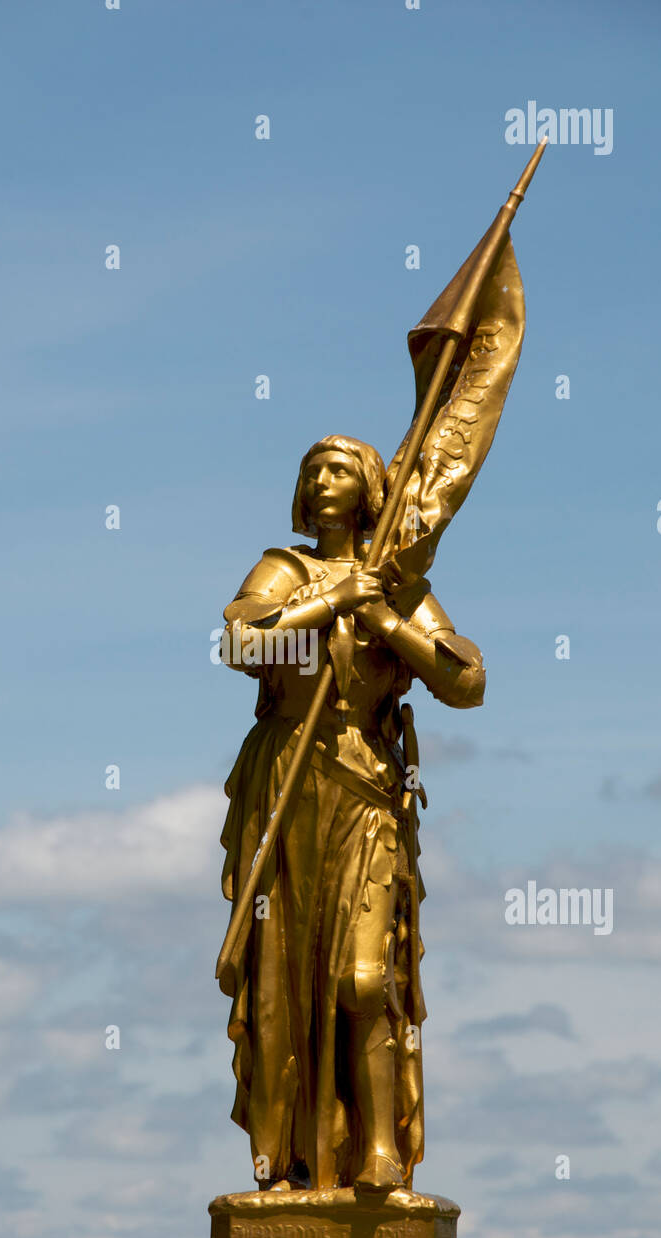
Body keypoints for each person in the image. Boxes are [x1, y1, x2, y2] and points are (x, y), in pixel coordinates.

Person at [217, 434, 485, 1194]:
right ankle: (280, 1162)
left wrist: (391, 625)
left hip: (365, 790)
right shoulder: (284, 568)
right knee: (278, 982)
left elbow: (467, 682)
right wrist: (330, 600)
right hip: (283, 789)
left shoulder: (398, 585)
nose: (324, 480)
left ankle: (378, 1154)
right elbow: (238, 640)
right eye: (312, 470)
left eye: (340, 469)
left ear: (369, 488)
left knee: (364, 980)